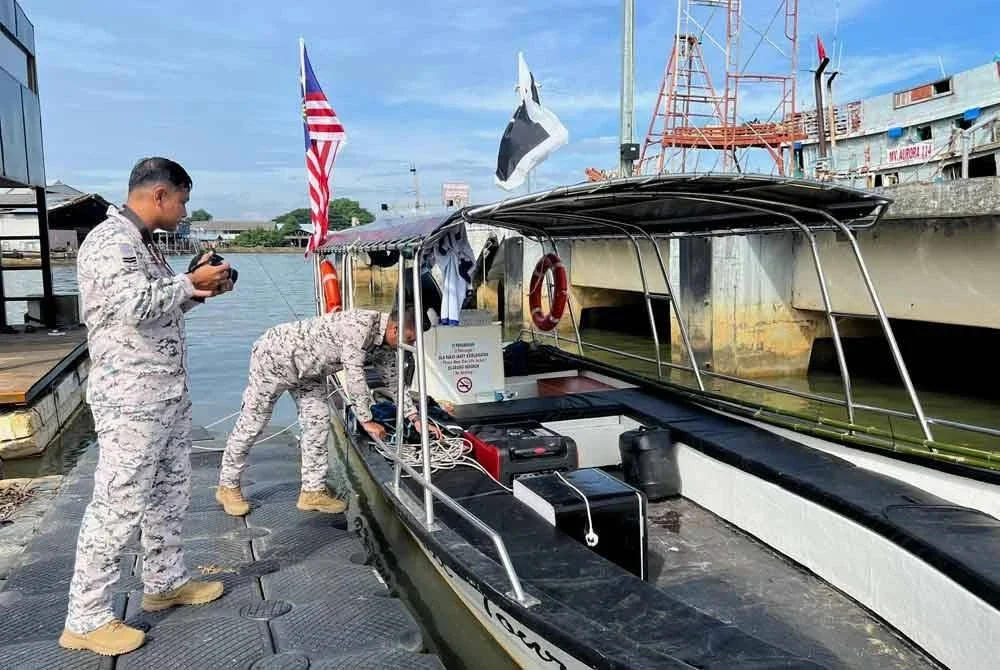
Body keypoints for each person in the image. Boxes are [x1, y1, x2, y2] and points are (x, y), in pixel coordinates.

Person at [59, 158, 234, 656]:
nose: (183, 211)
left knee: (169, 493)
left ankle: (164, 581)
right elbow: (133, 305)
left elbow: (155, 308)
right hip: (131, 399)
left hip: (164, 394)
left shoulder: (143, 246)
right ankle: (86, 618)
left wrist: (198, 290)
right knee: (116, 505)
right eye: (182, 200)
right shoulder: (111, 242)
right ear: (160, 194)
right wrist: (189, 281)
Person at [216, 307, 442, 516]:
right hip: (275, 357)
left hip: (310, 371)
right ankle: (228, 486)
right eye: (409, 339)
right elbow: (354, 377)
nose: (407, 344)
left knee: (318, 423)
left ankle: (312, 492)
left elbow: (395, 383)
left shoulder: (387, 345)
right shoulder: (360, 325)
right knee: (253, 423)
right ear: (395, 329)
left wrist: (415, 418)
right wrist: (366, 421)